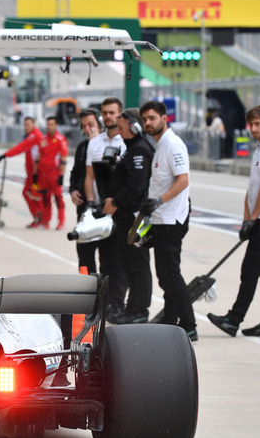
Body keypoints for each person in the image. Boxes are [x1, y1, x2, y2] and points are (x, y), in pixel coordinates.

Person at [208, 104, 260, 338]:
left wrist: (253, 219)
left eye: (257, 124)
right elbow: (252, 189)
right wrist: (246, 219)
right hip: (258, 218)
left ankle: (233, 320)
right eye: (250, 125)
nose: (253, 129)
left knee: (250, 269)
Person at [140, 100, 196, 341]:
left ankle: (189, 324)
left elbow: (183, 180)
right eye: (144, 120)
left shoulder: (172, 144)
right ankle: (170, 319)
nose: (148, 123)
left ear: (165, 118)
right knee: (165, 274)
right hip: (162, 218)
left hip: (172, 218)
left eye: (152, 118)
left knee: (170, 274)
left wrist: (159, 200)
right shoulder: (160, 145)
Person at [102, 108, 153, 325]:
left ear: (134, 126)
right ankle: (133, 308)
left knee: (137, 264)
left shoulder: (140, 150)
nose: (120, 131)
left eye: (122, 127)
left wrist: (115, 202)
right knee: (129, 263)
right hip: (126, 215)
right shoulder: (131, 149)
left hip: (135, 216)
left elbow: (136, 186)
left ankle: (139, 309)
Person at [84, 97, 127, 316]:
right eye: (105, 113)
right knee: (105, 258)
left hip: (121, 209)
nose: (108, 116)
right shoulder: (95, 142)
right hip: (101, 209)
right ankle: (106, 303)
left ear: (120, 115)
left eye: (112, 113)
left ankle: (119, 303)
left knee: (120, 259)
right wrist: (92, 204)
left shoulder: (125, 141)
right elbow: (89, 177)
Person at [68, 109, 102, 272]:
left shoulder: (108, 144)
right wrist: (73, 190)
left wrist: (96, 143)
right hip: (84, 208)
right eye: (84, 126)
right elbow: (75, 173)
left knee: (106, 254)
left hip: (104, 208)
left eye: (91, 125)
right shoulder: (82, 147)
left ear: (99, 124)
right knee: (84, 252)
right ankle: (87, 289)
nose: (88, 129)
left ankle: (107, 292)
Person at [0, 116, 43, 228]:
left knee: (31, 193)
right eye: (25, 125)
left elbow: (21, 147)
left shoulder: (35, 135)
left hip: (36, 172)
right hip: (32, 171)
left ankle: (39, 217)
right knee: (33, 194)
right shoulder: (31, 136)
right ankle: (38, 218)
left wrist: (6, 154)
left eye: (28, 124)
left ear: (33, 125)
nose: (26, 127)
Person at [34, 116, 68, 230]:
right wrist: (35, 173)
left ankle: (61, 221)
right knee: (45, 197)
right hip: (43, 174)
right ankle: (46, 221)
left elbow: (63, 158)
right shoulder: (43, 140)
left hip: (55, 173)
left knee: (58, 198)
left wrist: (61, 175)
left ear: (56, 125)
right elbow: (39, 156)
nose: (49, 126)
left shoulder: (60, 139)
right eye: (48, 124)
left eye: (52, 124)